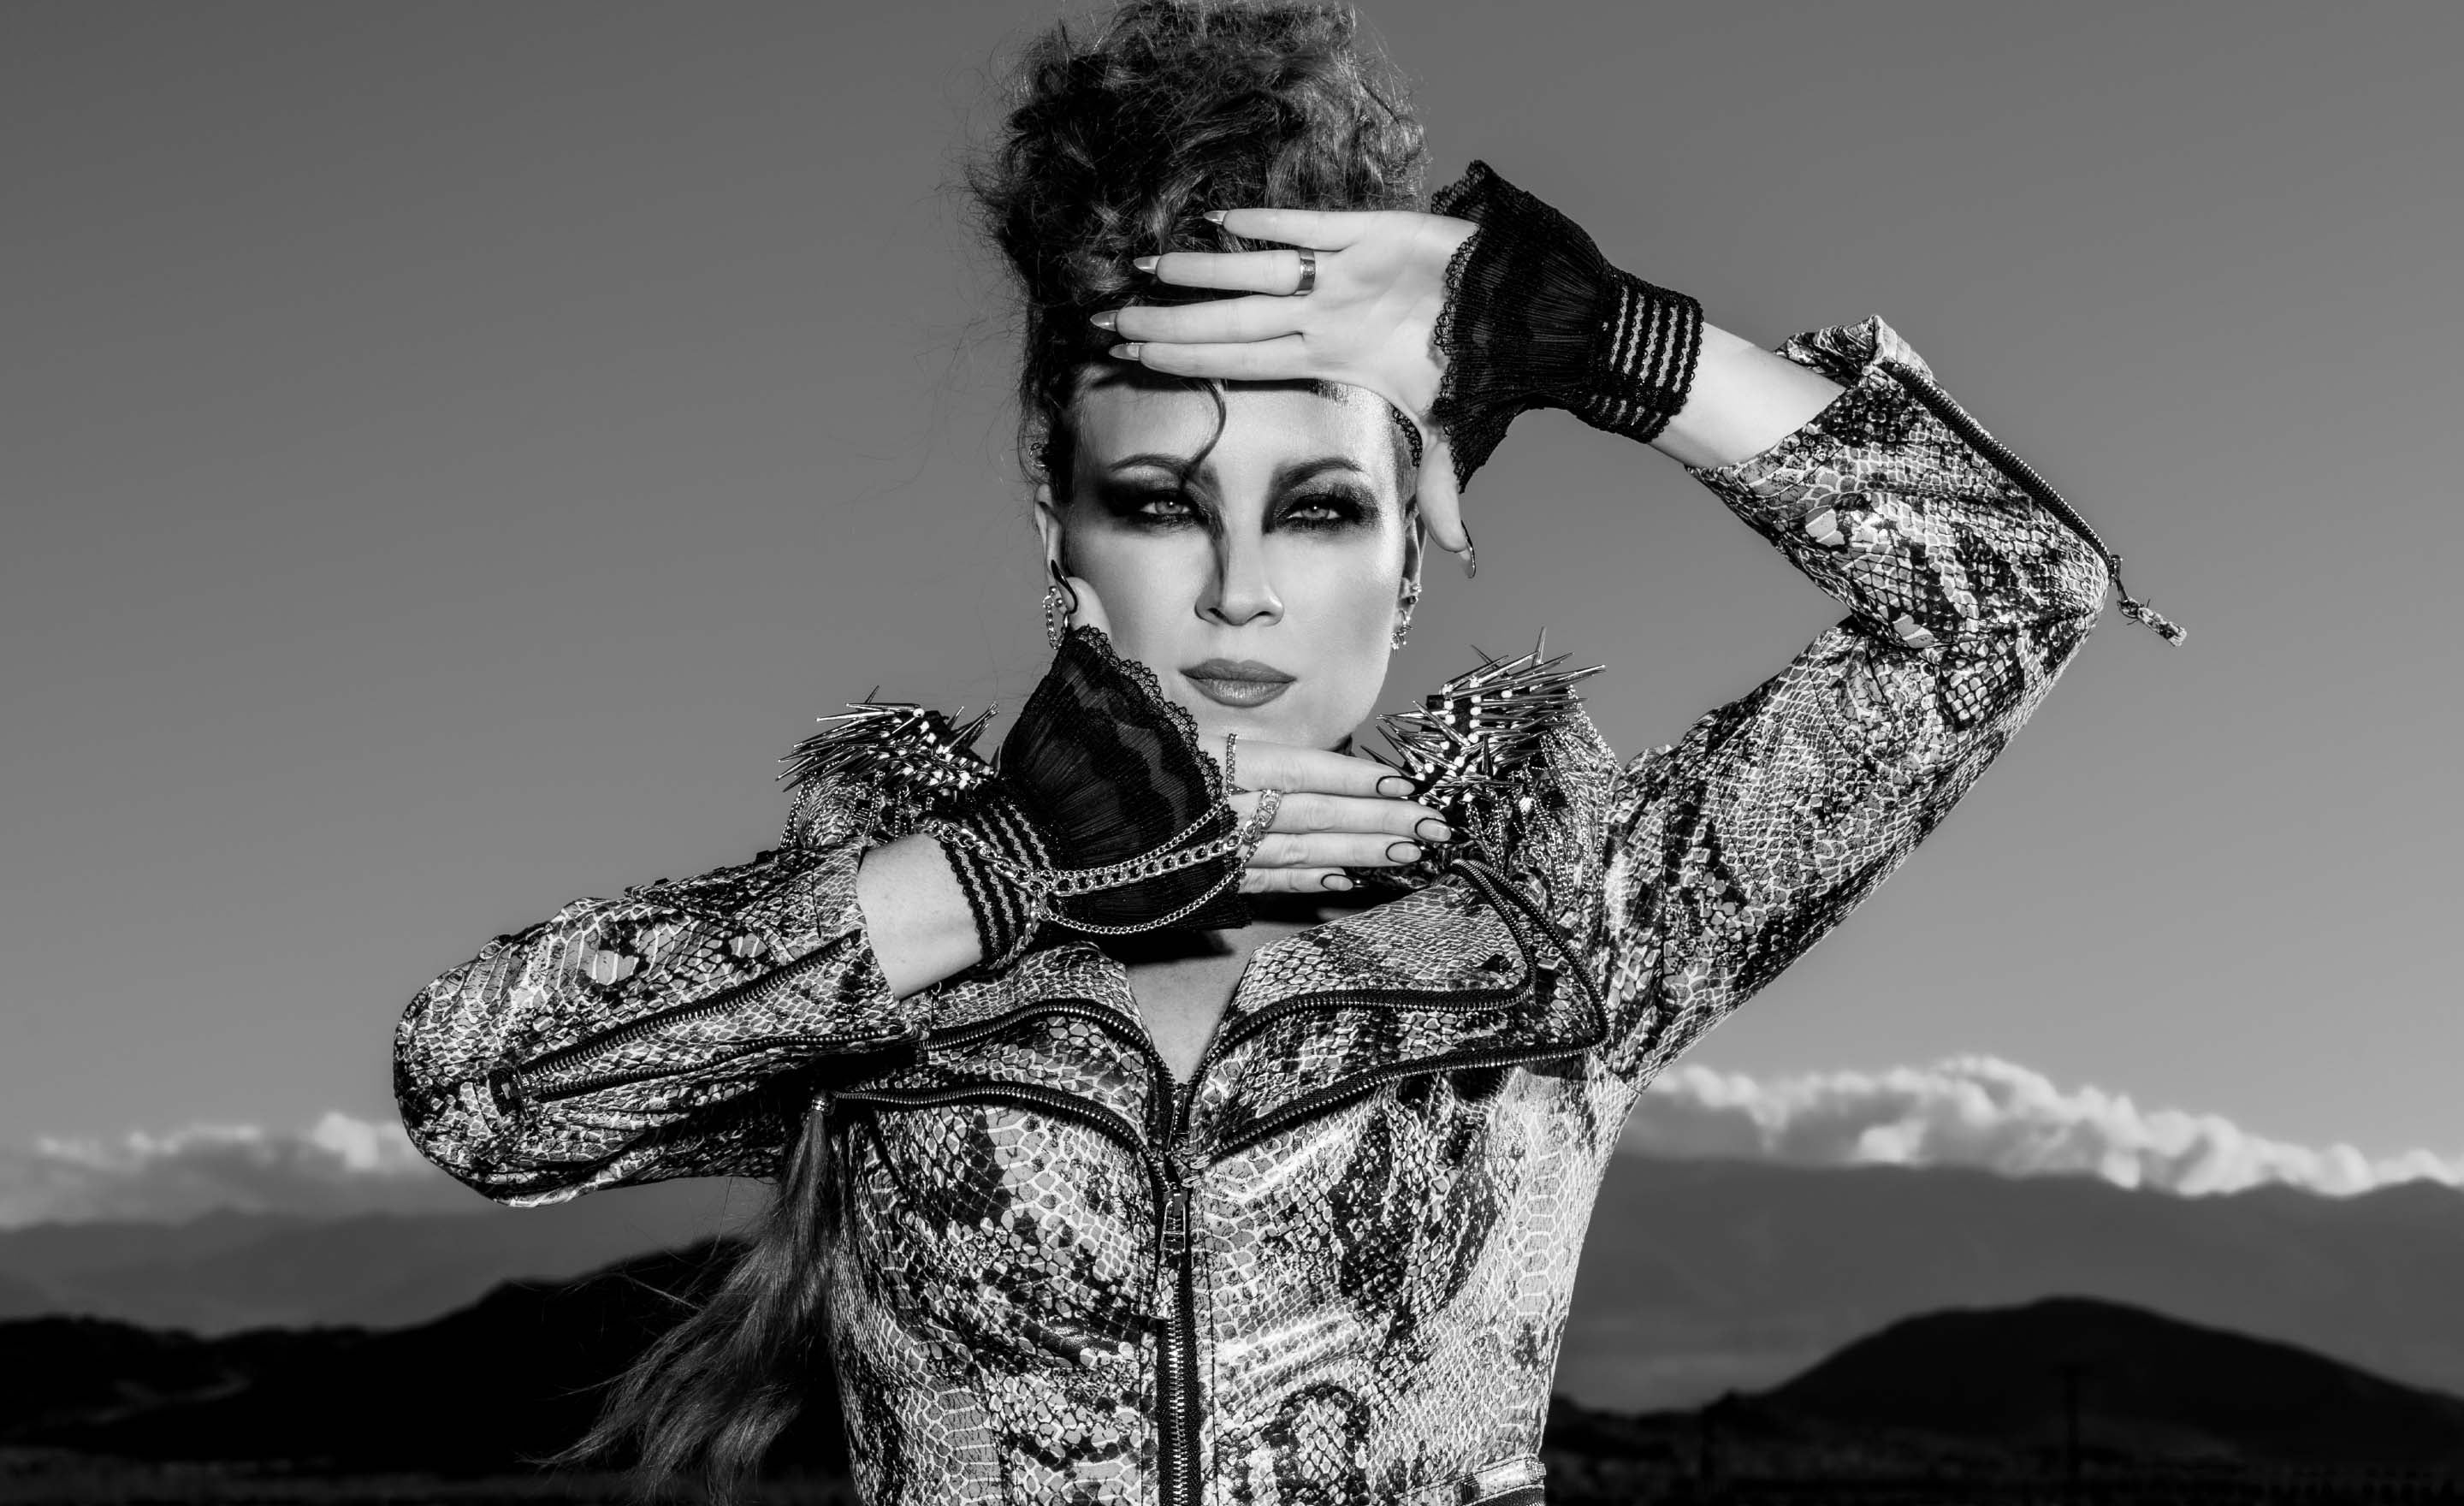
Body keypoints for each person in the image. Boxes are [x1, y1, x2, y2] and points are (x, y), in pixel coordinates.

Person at [391, 3, 2179, 1503]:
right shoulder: (905, 930)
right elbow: (479, 1085)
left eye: (1319, 506)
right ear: (1057, 531)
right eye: (1162, 504)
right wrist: (992, 872)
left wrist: (1619, 348)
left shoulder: (1573, 916)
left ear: (1416, 537)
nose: (1242, 593)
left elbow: (2012, 601)